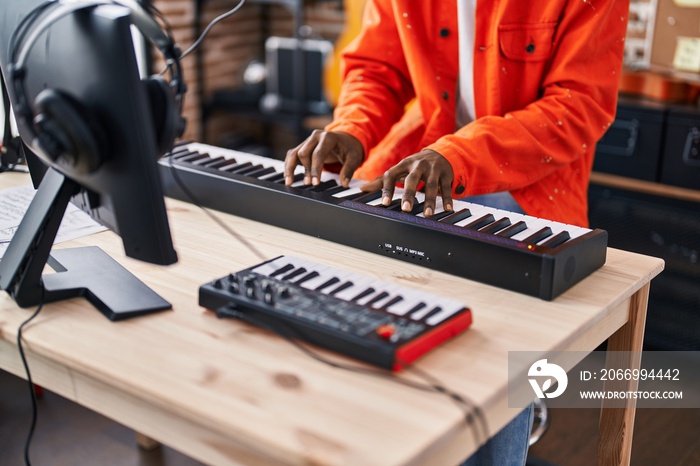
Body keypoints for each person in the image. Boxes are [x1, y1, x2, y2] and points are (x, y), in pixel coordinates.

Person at [284, 0, 629, 464]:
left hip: (530, 184)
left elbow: (579, 105)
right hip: (422, 156)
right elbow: (378, 69)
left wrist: (459, 157)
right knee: (362, 293)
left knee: (501, 343)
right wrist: (353, 128)